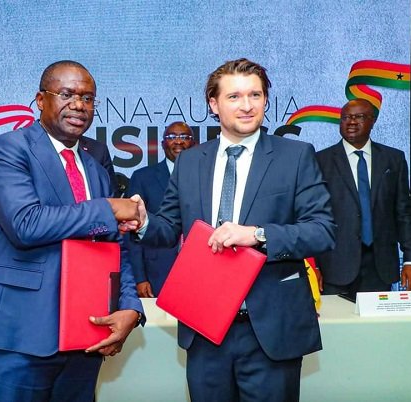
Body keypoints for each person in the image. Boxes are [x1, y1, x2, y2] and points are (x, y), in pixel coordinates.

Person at [125, 58, 335, 401]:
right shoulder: (190, 161)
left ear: (265, 100)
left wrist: (257, 234)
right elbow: (168, 229)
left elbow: (322, 230)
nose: (247, 105)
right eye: (234, 96)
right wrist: (144, 222)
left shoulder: (295, 156)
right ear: (214, 104)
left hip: (270, 330)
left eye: (255, 95)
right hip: (204, 329)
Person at [0, 60, 145, 402]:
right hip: (23, 333)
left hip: (87, 331)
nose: (78, 105)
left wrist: (129, 306)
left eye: (88, 98)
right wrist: (107, 208)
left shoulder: (95, 165)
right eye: (66, 94)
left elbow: (115, 246)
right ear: (40, 100)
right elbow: (26, 225)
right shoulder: (8, 149)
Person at [315, 98, 411, 295]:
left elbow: (404, 213)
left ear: (373, 121)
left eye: (359, 117)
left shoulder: (393, 159)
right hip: (334, 266)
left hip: (380, 267)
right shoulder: (320, 160)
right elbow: (312, 216)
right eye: (346, 117)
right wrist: (314, 265)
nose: (351, 122)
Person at [126, 121, 195, 297]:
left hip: (198, 270)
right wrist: (140, 278)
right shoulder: (142, 177)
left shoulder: (206, 177)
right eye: (171, 137)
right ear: (163, 144)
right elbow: (132, 231)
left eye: (184, 136)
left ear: (194, 143)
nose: (178, 141)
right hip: (156, 271)